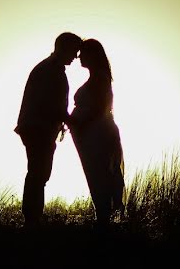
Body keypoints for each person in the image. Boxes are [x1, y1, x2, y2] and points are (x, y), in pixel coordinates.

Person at [14, 32, 82, 227]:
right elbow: (51, 105)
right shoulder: (50, 70)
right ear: (63, 47)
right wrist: (72, 121)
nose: (76, 56)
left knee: (39, 173)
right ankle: (32, 219)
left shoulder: (50, 68)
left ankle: (33, 218)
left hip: (38, 127)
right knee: (38, 173)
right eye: (74, 51)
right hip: (38, 128)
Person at [67, 38, 125, 227]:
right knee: (96, 174)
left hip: (97, 135)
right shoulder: (97, 77)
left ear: (92, 55)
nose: (79, 56)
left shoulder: (100, 78)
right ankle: (103, 218)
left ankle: (104, 220)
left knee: (100, 174)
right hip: (90, 135)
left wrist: (78, 123)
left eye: (82, 53)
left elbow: (100, 108)